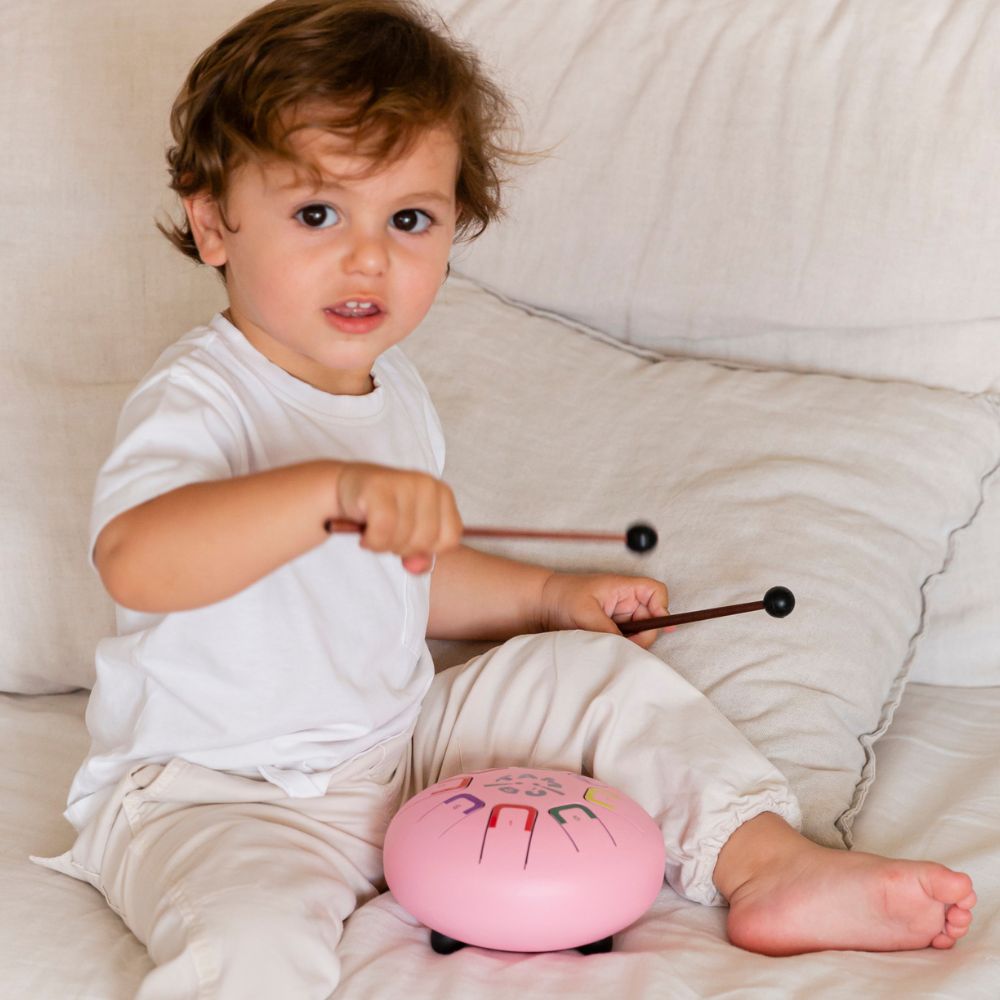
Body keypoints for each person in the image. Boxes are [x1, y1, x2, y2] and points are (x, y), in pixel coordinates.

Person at [34, 1, 976, 996]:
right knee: (255, 938)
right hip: (217, 793)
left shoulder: (392, 391)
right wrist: (330, 490)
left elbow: (404, 580)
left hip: (394, 748)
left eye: (409, 219)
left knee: (597, 684)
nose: (368, 257)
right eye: (318, 213)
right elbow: (139, 560)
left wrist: (544, 597)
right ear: (213, 220)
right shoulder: (200, 395)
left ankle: (765, 863)